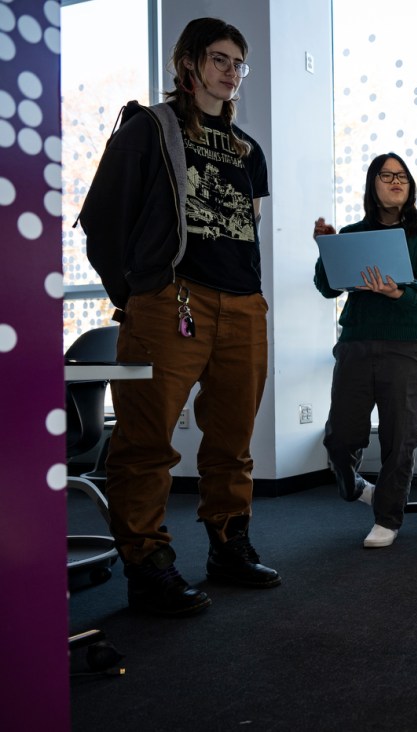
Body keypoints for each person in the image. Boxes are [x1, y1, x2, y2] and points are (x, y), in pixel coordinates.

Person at [79, 17, 279, 615]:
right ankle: (147, 565)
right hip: (172, 300)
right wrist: (138, 293)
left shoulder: (249, 149)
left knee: (232, 440)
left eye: (238, 63)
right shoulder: (148, 129)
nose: (230, 71)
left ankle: (228, 545)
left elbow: (251, 228)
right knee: (144, 443)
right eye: (219, 58)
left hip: (243, 306)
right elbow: (100, 221)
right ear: (188, 63)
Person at [312, 153, 417, 549]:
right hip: (356, 344)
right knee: (340, 436)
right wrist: (326, 248)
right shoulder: (352, 233)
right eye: (387, 175)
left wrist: (396, 290)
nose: (396, 181)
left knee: (399, 438)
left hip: (407, 347)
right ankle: (352, 485)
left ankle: (388, 516)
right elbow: (328, 287)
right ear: (373, 184)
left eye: (402, 175)